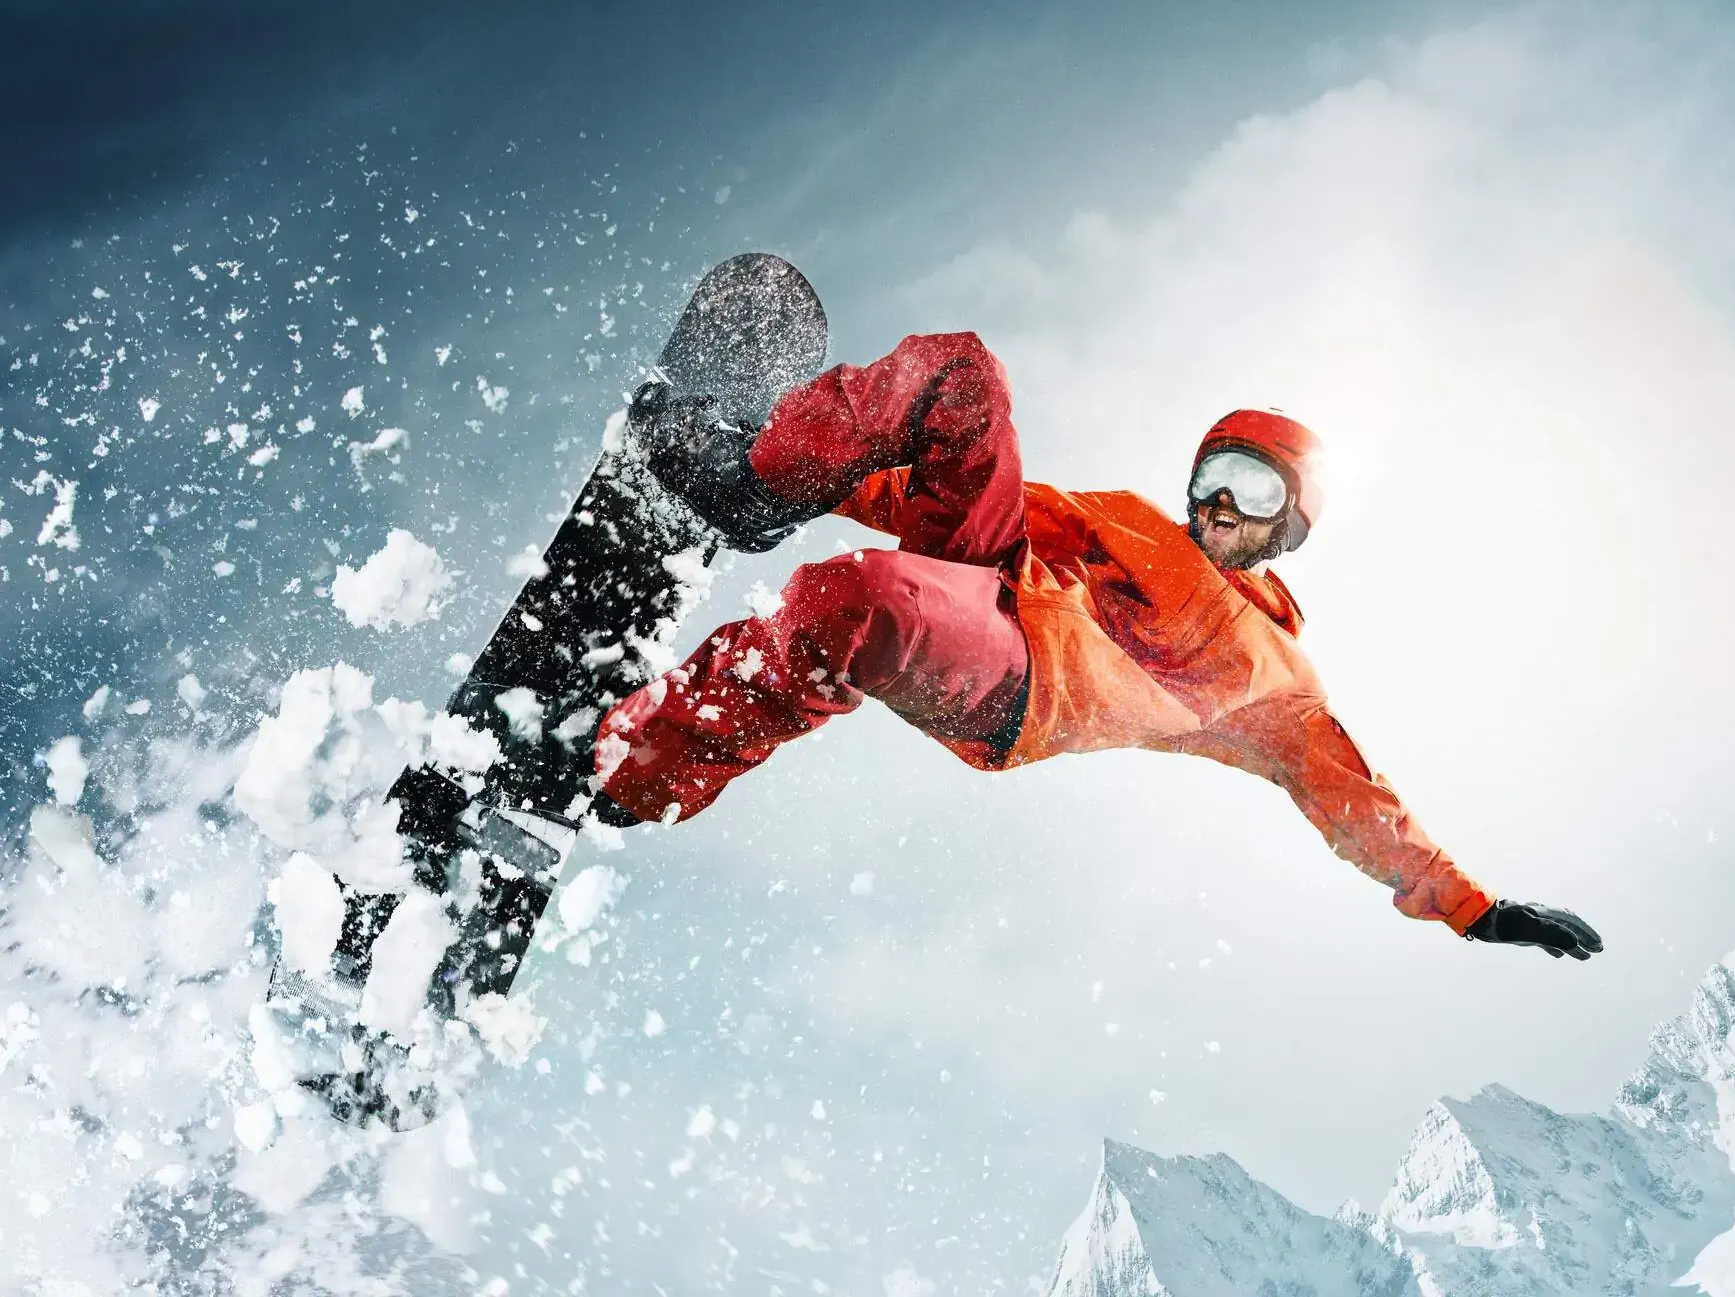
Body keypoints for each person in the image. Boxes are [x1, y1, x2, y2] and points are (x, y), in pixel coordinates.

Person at [595, 333, 1603, 959]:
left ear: (1289, 524)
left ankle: (640, 769)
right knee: (965, 375)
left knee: (850, 599)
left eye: (1251, 491)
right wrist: (823, 480)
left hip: (1023, 683)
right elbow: (974, 504)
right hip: (990, 578)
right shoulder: (1129, 521)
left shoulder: (1278, 682)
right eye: (1214, 471)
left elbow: (1356, 802)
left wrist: (1474, 909)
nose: (1217, 500)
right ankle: (751, 467)